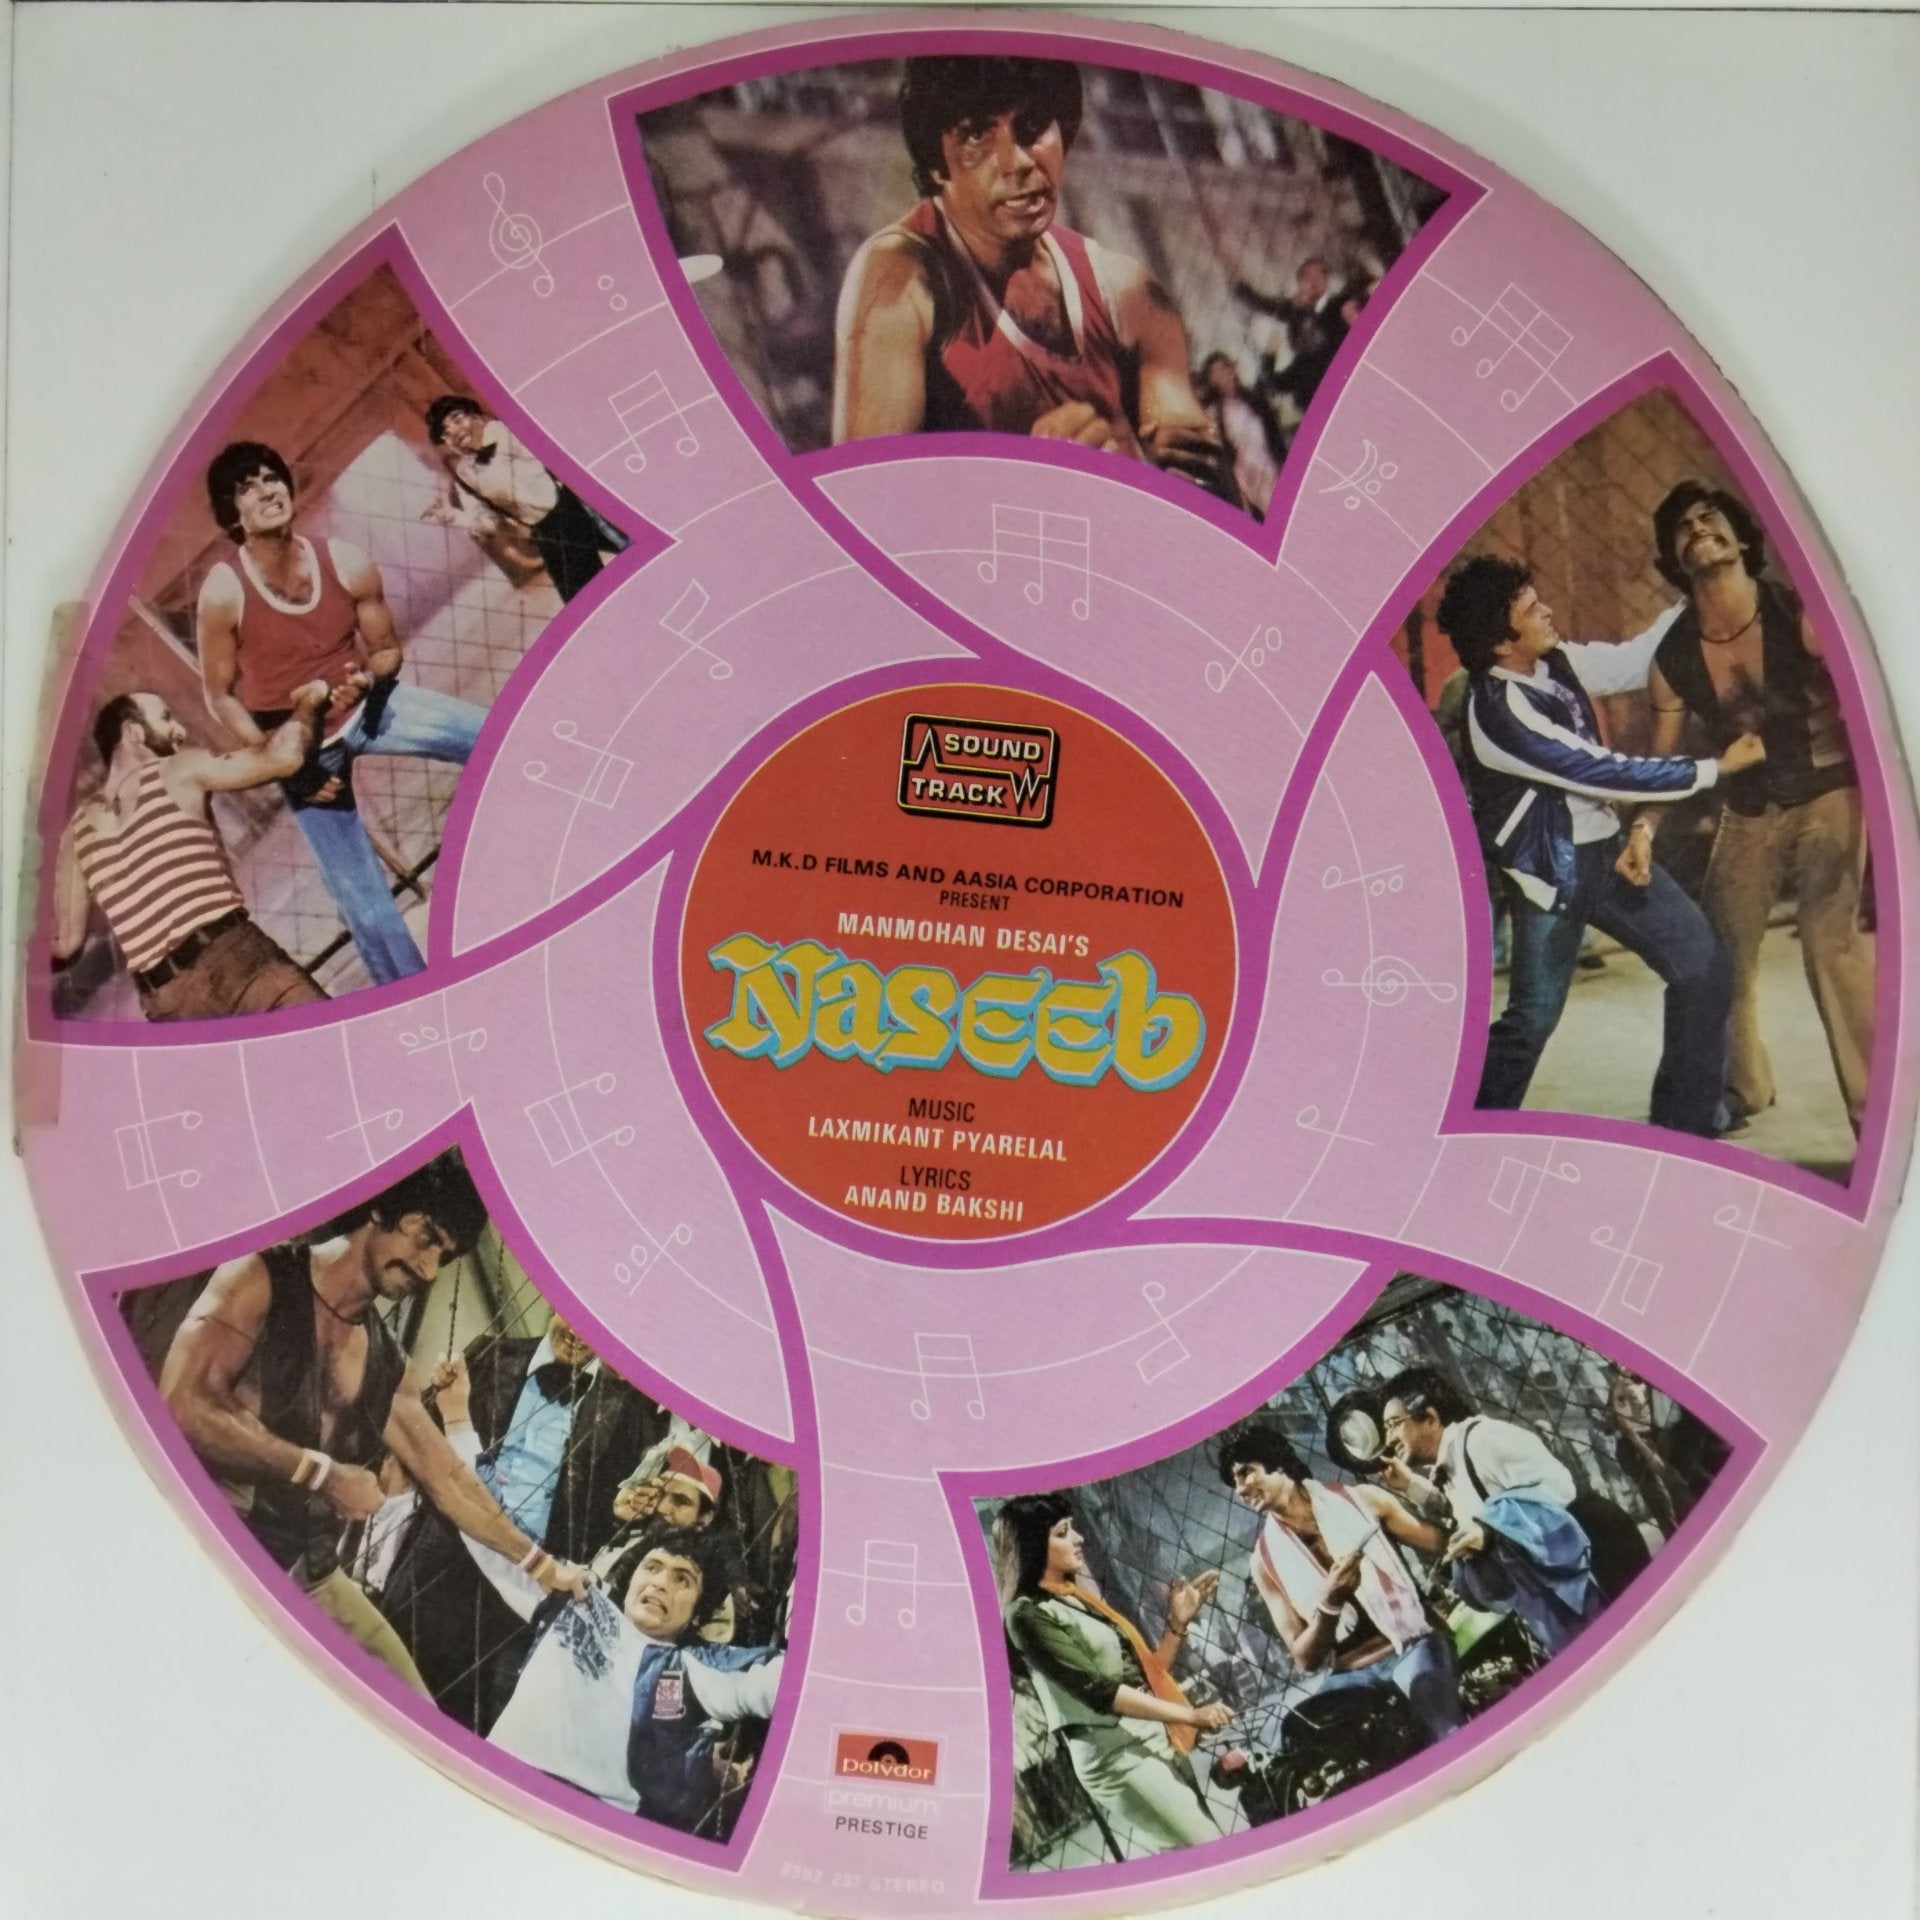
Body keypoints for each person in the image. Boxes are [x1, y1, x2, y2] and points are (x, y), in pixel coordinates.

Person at [157, 1153, 587, 1691]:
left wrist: (543, 1567)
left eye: (444, 1256)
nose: (428, 1269)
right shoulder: (262, 1276)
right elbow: (184, 1404)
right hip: (213, 1536)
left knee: (411, 1704)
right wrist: (322, 1474)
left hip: (308, 1568)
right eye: (426, 1238)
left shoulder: (385, 1362)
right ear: (383, 1209)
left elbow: (450, 1480)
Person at [1439, 554, 1766, 1136]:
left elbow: (1633, 661)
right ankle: (1462, 1133)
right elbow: (1604, 771)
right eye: (1531, 610)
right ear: (1501, 643)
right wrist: (1715, 767)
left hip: (1605, 852)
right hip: (1552, 876)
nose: (1547, 611)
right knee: (1532, 1020)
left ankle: (1685, 1123)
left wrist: (1696, 594)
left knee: (1703, 967)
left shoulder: (1552, 662)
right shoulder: (1499, 712)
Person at [832, 56, 1229, 497]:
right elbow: (861, 506)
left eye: (1034, 127)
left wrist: (1144, 470)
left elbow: (1213, 498)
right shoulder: (900, 276)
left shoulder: (1127, 293)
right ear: (936, 164)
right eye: (977, 135)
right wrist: (1027, 479)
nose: (1017, 161)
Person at [195, 440, 488, 985]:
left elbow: (385, 650)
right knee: (366, 905)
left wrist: (372, 681)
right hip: (300, 745)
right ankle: (409, 999)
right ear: (232, 516)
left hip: (370, 707)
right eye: (248, 488)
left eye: (271, 477)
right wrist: (286, 765)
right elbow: (220, 696)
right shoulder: (224, 590)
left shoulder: (344, 560)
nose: (267, 491)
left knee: (496, 738)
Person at [1633, 482, 1873, 1135]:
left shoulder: (1799, 614)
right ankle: (1742, 1086)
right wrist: (1644, 829)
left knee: (1830, 942)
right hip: (1749, 805)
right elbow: (1663, 762)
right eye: (1682, 526)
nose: (1696, 528)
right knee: (1717, 949)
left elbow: (1868, 707)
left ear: (1741, 540)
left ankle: (1876, 1109)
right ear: (1673, 559)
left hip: (1829, 785)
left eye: (1709, 518)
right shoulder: (1673, 657)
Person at [378, 1312, 662, 1731]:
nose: (579, 1335)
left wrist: (619, 1512)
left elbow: (601, 1528)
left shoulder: (629, 1413)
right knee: (385, 1674)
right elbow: (419, 1442)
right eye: (574, 1318)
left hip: (523, 1589)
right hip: (444, 1551)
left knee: (463, 1719)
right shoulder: (492, 1355)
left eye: (598, 1329)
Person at [53, 685, 331, 1019]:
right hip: (237, 961)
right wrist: (309, 701)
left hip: (167, 1000)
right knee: (326, 1042)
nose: (180, 731)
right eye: (166, 718)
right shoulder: (178, 769)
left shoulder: (75, 833)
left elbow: (64, 944)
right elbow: (284, 757)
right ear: (133, 732)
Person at [485, 1526, 783, 1834]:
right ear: (630, 1580)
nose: (660, 1584)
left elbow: (795, 1686)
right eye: (652, 1567)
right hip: (497, 1783)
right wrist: (538, 1562)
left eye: (682, 1579)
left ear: (697, 1613)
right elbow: (482, 1531)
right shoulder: (578, 1594)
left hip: (588, 1826)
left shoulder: (700, 1665)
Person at [996, 1492, 1229, 1859]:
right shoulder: (1027, 1615)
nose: (1078, 1538)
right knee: (1209, 1847)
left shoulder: (1074, 1598)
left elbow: (1146, 1675)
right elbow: (1100, 1692)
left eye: (1073, 1528)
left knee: (1191, 1853)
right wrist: (1191, 1715)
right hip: (1114, 1752)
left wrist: (1177, 1623)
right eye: (1062, 1532)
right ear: (1031, 1545)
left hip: (1148, 1734)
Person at [1215, 1419, 1464, 1746]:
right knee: (1300, 1738)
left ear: (1278, 1464)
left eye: (1246, 1472)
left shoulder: (1363, 1501)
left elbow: (1442, 1543)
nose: (1240, 1488)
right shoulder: (1264, 1561)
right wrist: (1330, 1603)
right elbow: (1304, 1658)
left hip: (1413, 1645)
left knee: (1443, 1726)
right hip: (1351, 1676)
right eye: (1234, 1481)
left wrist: (1412, 1488)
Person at [1378, 1367, 1604, 1658]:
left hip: (1574, 1589)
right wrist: (1411, 1486)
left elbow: (1558, 1486)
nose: (1389, 1439)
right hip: (1538, 1597)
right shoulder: (1453, 1460)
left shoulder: (1485, 1440)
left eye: (1394, 1424)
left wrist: (1490, 1528)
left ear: (1430, 1418)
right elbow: (1472, 1505)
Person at [423, 395, 628, 603]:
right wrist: (452, 516)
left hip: (579, 506)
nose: (454, 432)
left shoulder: (512, 430)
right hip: (547, 532)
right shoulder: (465, 474)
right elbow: (487, 522)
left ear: (476, 415)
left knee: (634, 550)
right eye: (445, 433)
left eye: (457, 420)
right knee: (581, 601)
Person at [1237, 256, 1349, 422]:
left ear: (1327, 280)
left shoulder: (1341, 307)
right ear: (1300, 283)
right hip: (1314, 402)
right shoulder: (1295, 313)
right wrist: (1269, 355)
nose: (1313, 281)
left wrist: (1305, 309)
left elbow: (1330, 338)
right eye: (1308, 277)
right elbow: (1264, 304)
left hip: (1346, 388)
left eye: (1319, 275)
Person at [1199, 352, 1278, 518]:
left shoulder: (1254, 400)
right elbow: (1212, 454)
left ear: (1232, 369)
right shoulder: (1213, 413)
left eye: (1224, 367)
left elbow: (1273, 436)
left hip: (1271, 465)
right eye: (1215, 372)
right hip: (1247, 474)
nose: (1222, 374)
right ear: (1211, 380)